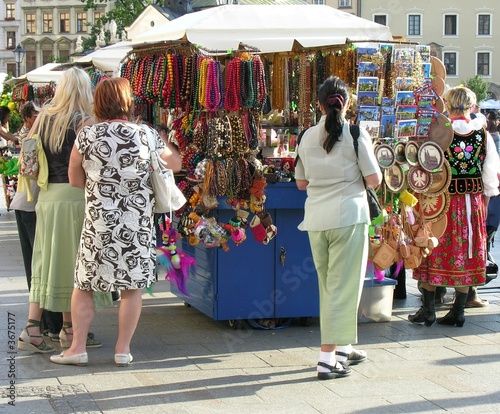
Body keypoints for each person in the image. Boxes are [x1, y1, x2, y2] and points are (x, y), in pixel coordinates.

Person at [50, 77, 181, 367]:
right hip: (136, 225)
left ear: (98, 103)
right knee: (131, 288)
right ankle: (122, 350)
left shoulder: (87, 135)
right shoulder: (145, 135)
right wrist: (162, 136)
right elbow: (174, 164)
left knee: (84, 285)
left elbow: (74, 180)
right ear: (128, 102)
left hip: (99, 224)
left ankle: (77, 349)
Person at [295, 76, 382, 380]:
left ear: (318, 104)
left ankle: (343, 349)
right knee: (344, 289)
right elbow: (374, 180)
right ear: (348, 103)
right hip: (349, 216)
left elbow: (301, 183)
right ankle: (327, 358)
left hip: (317, 219)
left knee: (329, 287)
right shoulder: (356, 134)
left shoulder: (306, 136)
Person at [17, 67, 101, 354]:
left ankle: (40, 327)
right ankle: (65, 329)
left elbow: (27, 156)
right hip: (75, 196)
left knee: (46, 260)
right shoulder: (85, 122)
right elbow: (92, 165)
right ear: (84, 90)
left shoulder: (42, 119)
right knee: (72, 263)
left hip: (47, 196)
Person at [409, 86, 500, 327]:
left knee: (432, 249)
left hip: (439, 202)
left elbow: (423, 167)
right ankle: (458, 311)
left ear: (447, 106)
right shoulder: (483, 135)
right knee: (467, 252)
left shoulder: (437, 131)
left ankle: (428, 309)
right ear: (471, 107)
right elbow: (490, 177)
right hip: (471, 203)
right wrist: (483, 202)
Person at [3, 103, 64, 338]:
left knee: (37, 265)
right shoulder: (41, 138)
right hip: (31, 206)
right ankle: (51, 323)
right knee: (41, 266)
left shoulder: (36, 136)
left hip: (26, 205)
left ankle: (44, 324)